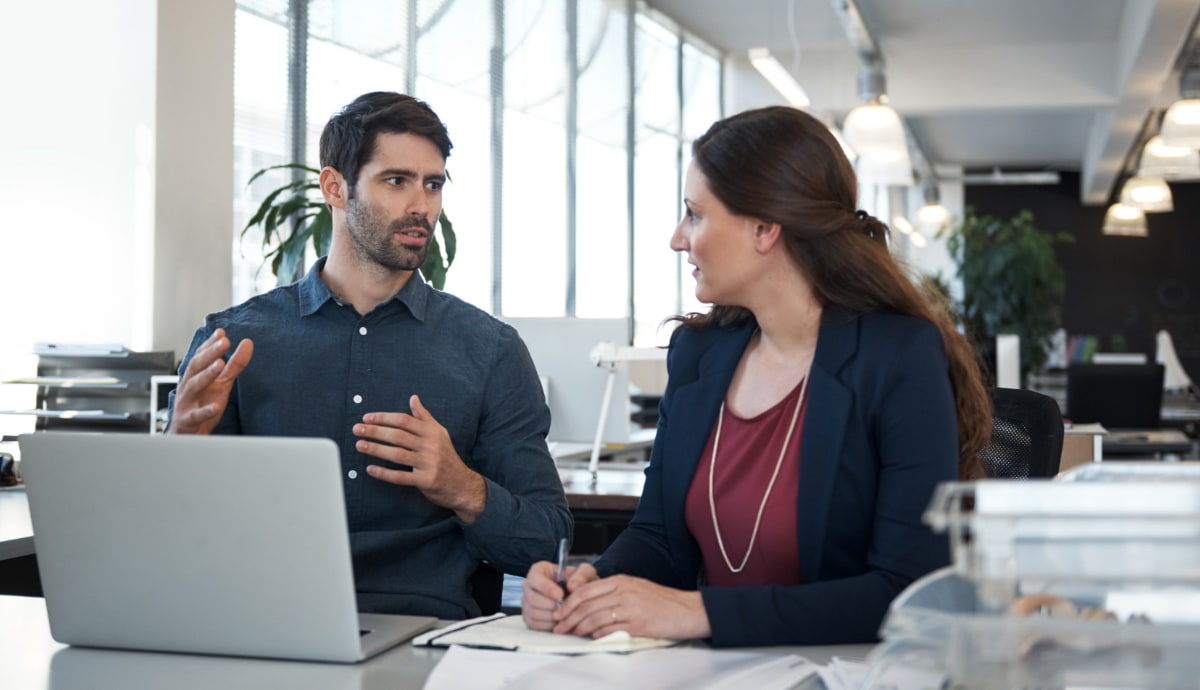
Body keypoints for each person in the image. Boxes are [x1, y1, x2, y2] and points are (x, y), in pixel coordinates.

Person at [521, 105, 990, 647]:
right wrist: (588, 584)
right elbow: (658, 539)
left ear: (765, 228)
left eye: (694, 214)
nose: (678, 238)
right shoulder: (698, 355)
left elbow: (904, 592)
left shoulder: (896, 358)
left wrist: (703, 613)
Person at [168, 91, 572, 619]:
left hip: (426, 636)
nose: (420, 205)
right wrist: (178, 450)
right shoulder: (236, 341)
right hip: (267, 627)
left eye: (433, 184)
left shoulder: (489, 350)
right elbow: (172, 541)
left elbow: (550, 543)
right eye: (396, 180)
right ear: (335, 187)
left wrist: (463, 488)